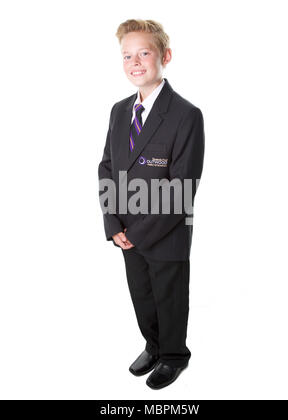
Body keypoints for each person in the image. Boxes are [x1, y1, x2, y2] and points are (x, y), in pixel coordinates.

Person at [98, 19, 205, 389]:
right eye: (127, 55)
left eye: (144, 52)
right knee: (142, 294)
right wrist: (113, 223)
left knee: (169, 296)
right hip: (126, 230)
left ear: (165, 56)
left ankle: (174, 355)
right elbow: (107, 166)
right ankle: (154, 344)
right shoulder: (118, 111)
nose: (135, 62)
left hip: (164, 230)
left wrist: (137, 233)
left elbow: (182, 188)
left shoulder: (185, 115)